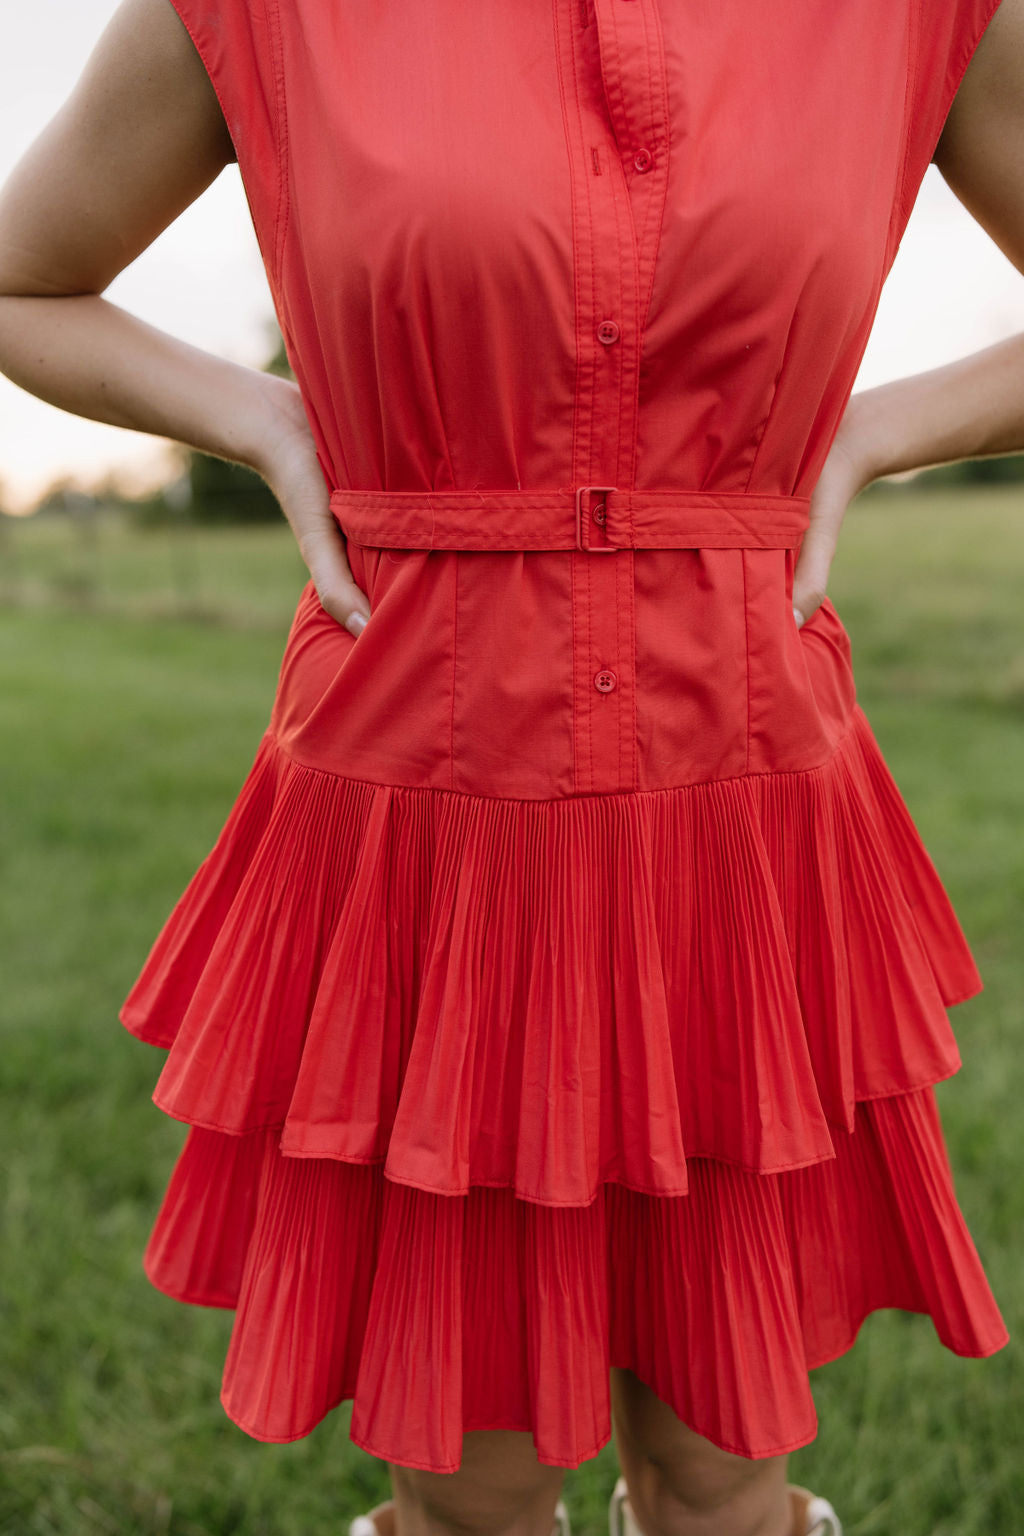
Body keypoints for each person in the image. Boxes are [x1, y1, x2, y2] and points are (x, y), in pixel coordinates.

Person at [0, 0, 1018, 1532]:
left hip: (742, 819)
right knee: (469, 1487)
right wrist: (270, 423)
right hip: (421, 812)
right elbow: (23, 279)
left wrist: (866, 437)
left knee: (721, 1470)